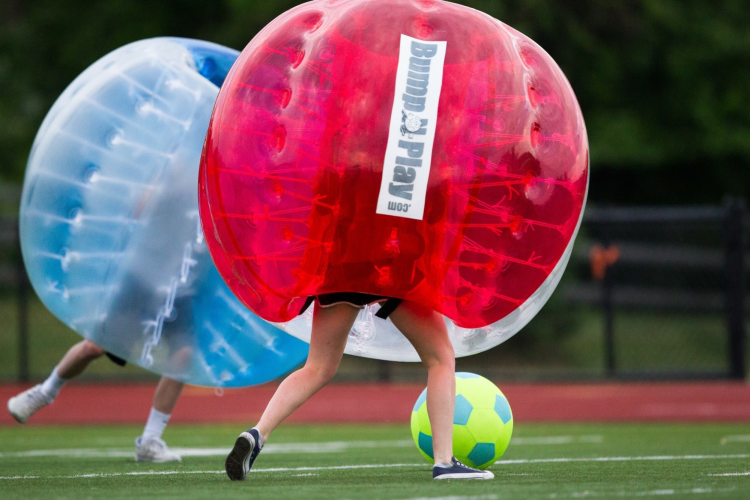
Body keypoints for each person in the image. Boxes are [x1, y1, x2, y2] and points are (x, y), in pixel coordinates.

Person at [224, 293, 494, 480]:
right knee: (440, 359)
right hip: (389, 265)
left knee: (317, 367)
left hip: (340, 269)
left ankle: (258, 433)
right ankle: (444, 462)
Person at [7, 339, 184, 463]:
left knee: (184, 354)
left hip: (176, 298)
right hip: (140, 293)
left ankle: (149, 441)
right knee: (94, 346)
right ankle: (45, 392)